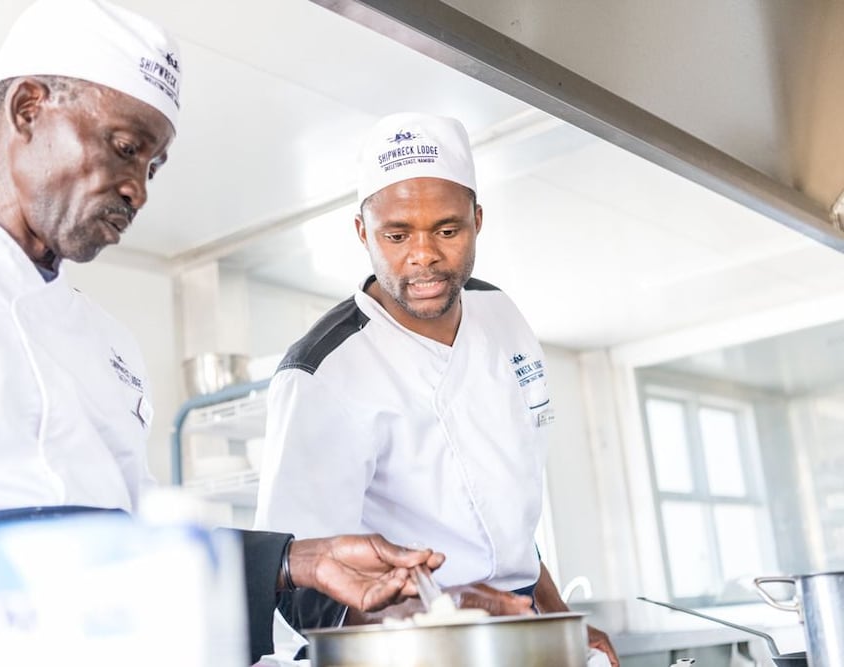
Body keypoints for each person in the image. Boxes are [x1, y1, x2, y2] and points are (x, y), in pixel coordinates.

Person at [0, 3, 444, 666]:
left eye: (153, 166)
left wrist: (299, 560)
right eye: (126, 148)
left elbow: (136, 549)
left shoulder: (108, 345)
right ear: (27, 108)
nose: (138, 190)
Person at [254, 111, 619, 664]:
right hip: (403, 647)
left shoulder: (500, 314)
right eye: (396, 235)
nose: (423, 255)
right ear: (363, 232)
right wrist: (440, 621)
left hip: (520, 629)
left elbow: (503, 518)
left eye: (447, 231)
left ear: (477, 220)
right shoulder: (322, 372)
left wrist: (559, 619)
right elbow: (302, 590)